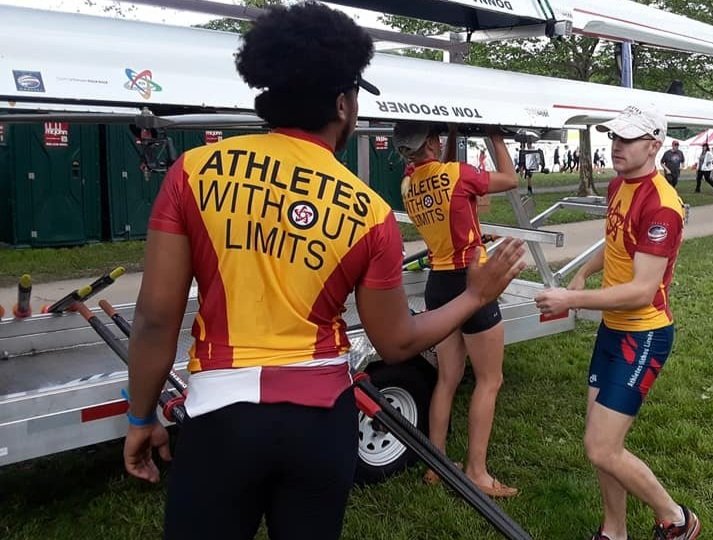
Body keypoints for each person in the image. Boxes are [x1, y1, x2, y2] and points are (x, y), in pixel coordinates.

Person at [122, 5, 527, 540]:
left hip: (219, 419)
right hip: (319, 423)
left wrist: (139, 417)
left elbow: (154, 318)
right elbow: (397, 341)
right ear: (342, 102)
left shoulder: (194, 171)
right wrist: (475, 296)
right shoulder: (367, 210)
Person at [534, 105, 701, 540]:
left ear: (654, 145)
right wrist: (584, 271)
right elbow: (616, 243)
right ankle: (614, 532)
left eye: (628, 139)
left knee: (601, 446)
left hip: (644, 334)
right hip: (614, 331)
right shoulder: (618, 186)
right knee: (600, 447)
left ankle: (677, 520)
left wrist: (571, 299)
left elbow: (642, 290)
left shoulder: (662, 203)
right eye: (614, 138)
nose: (617, 146)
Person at [393, 120, 521, 498]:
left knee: (447, 379)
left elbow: (442, 176)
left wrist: (447, 136)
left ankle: (436, 464)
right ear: (431, 141)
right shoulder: (457, 176)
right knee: (489, 379)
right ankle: (477, 472)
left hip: (439, 285)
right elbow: (510, 179)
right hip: (472, 281)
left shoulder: (408, 183)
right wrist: (495, 137)